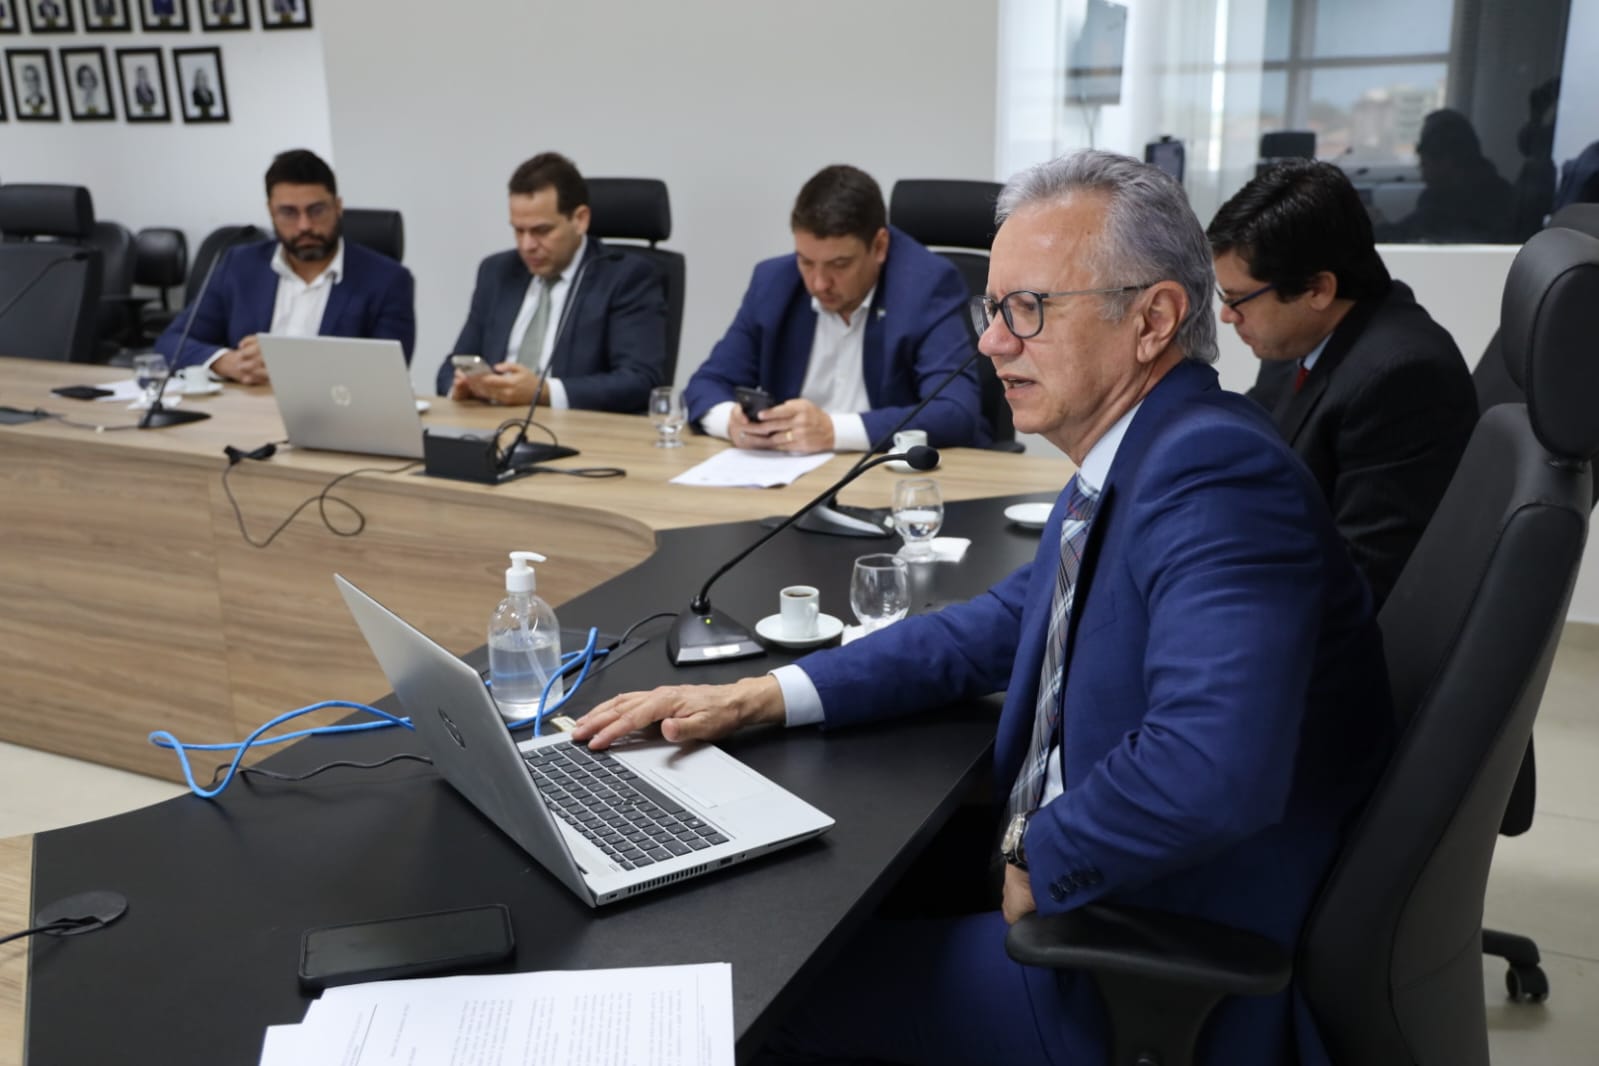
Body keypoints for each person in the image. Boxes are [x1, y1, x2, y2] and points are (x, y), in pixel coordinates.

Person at [572, 150, 1394, 1066]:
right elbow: (1000, 625)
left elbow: (1208, 766)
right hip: (1112, 900)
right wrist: (764, 695)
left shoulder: (1215, 477)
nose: (993, 343)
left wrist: (1039, 849)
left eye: (1028, 309)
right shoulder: (1150, 447)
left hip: (1138, 952)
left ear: (1153, 320)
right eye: (992, 310)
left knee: (756, 1000)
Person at [1209, 160, 1477, 608]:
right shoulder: (1303, 337)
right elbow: (1251, 432)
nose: (1226, 316)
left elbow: (1364, 581)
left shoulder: (1401, 380)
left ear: (1317, 289)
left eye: (1238, 299)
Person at [682, 164, 987, 453]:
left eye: (839, 264)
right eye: (806, 261)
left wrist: (832, 431)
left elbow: (954, 412)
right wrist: (732, 422)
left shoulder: (925, 285)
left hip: (887, 470)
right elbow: (705, 385)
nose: (819, 283)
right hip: (792, 470)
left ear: (879, 246)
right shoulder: (774, 283)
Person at [154, 149, 416, 383]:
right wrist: (228, 362)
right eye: (289, 213)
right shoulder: (240, 266)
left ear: (338, 207)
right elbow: (171, 342)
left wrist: (289, 363)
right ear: (271, 211)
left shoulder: (387, 280)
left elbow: (388, 373)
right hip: (245, 411)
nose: (304, 226)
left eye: (316, 210)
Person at [435, 152, 670, 413]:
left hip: (576, 429)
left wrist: (543, 392)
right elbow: (452, 366)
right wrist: (461, 386)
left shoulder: (625, 277)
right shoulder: (497, 272)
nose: (527, 245)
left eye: (541, 231)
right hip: (493, 425)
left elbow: (638, 380)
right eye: (518, 230)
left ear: (580, 220)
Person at [1375, 109, 1513, 243]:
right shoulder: (1501, 193)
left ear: (1446, 161)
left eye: (1424, 164)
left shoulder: (1444, 206)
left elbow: (1402, 238)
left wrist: (1377, 224)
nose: (1423, 176)